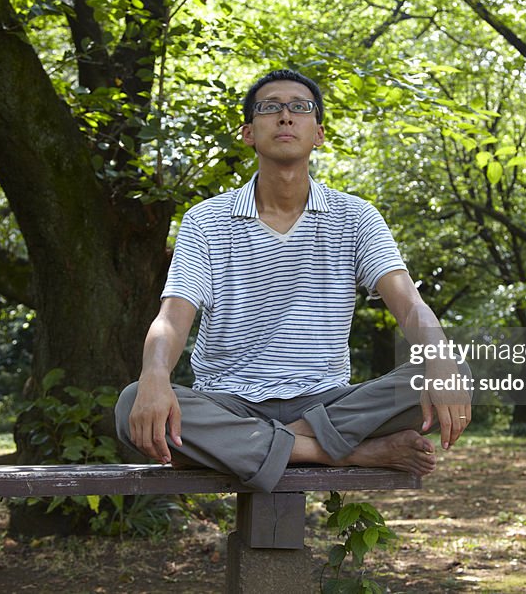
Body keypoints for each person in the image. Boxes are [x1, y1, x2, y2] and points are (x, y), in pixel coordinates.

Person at [115, 69, 470, 492]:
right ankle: (342, 452)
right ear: (248, 132)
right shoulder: (206, 221)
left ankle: (263, 447)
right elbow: (172, 318)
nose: (286, 117)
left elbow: (409, 303)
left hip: (325, 400)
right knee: (130, 403)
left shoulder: (355, 217)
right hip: (231, 404)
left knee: (454, 368)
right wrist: (155, 376)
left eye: (299, 108)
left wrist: (442, 359)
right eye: (270, 108)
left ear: (318, 133)